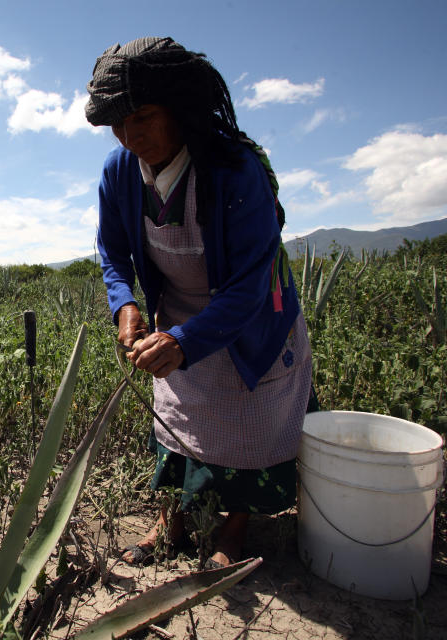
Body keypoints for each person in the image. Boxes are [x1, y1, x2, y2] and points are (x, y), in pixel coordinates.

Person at [85, 37, 314, 569]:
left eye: (143, 116)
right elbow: (113, 251)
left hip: (253, 316)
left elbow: (251, 283)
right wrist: (126, 307)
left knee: (249, 418)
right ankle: (171, 524)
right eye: (119, 124)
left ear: (181, 111)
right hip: (178, 315)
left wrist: (185, 341)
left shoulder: (234, 169)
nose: (130, 135)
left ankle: (232, 533)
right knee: (177, 420)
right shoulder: (120, 173)